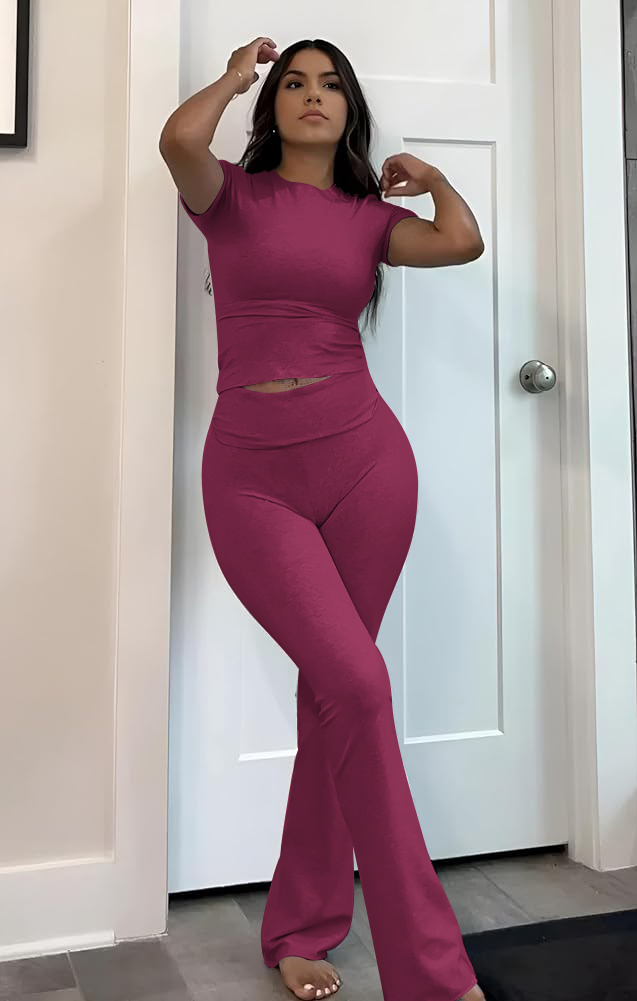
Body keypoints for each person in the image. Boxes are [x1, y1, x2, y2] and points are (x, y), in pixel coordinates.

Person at [159, 35, 485, 1001]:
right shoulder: (227, 196)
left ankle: (302, 925)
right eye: (294, 83)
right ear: (271, 109)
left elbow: (460, 243)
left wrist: (434, 179)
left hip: (367, 465)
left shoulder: (370, 219)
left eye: (330, 84)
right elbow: (176, 141)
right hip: (251, 478)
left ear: (349, 111)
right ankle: (433, 975)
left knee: (336, 693)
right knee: (356, 683)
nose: (311, 95)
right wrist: (235, 76)